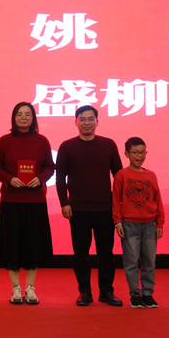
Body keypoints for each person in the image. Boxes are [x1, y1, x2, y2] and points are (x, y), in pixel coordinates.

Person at [56, 105, 123, 307]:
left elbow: (119, 176)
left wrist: (119, 204)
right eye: (82, 119)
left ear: (97, 121)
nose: (87, 122)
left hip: (105, 208)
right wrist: (64, 203)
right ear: (76, 122)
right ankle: (84, 291)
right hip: (78, 209)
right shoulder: (67, 146)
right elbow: (60, 178)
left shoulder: (108, 144)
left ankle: (106, 292)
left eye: (90, 119)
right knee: (81, 253)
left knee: (106, 253)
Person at [0, 102, 54, 304]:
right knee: (12, 245)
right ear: (13, 118)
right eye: (19, 114)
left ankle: (30, 288)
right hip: (11, 200)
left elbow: (50, 167)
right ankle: (15, 288)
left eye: (28, 114)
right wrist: (9, 179)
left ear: (33, 118)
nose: (24, 117)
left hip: (35, 200)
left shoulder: (42, 141)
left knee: (32, 245)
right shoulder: (5, 141)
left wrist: (41, 178)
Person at [113, 137, 164, 308]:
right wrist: (117, 222)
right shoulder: (122, 175)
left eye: (143, 152)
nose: (140, 156)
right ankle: (135, 293)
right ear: (126, 154)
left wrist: (160, 223)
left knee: (149, 262)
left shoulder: (151, 175)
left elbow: (158, 200)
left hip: (150, 224)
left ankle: (148, 293)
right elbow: (116, 200)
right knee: (131, 262)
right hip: (129, 224)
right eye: (135, 152)